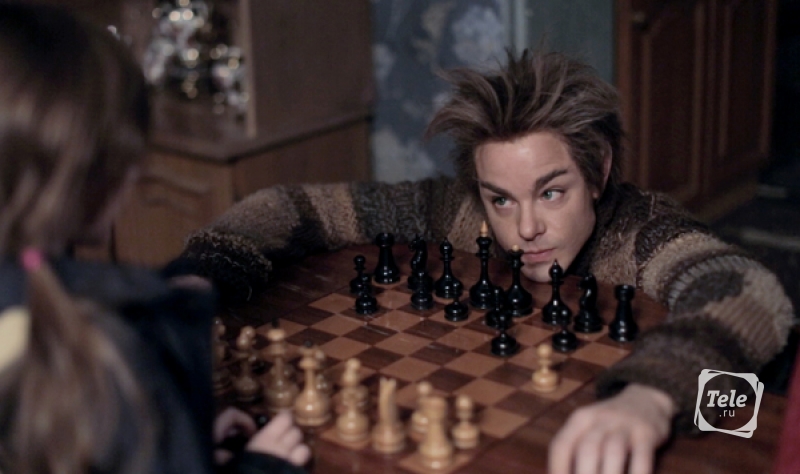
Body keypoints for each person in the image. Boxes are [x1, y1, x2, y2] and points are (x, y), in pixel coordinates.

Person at [178, 49, 795, 473]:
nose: (525, 228)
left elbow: (749, 290)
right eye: (501, 198)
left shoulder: (644, 233)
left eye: (552, 192)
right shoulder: (464, 213)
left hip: (741, 407)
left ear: (599, 170)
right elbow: (286, 207)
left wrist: (649, 398)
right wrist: (190, 290)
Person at [0, 5, 309, 473]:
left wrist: (180, 445)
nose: (137, 175)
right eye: (130, 153)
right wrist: (262, 466)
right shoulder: (110, 348)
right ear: (87, 173)